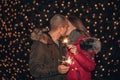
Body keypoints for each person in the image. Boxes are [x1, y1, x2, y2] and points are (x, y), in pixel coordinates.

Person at [29, 14, 70, 80]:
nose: (67, 29)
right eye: (66, 27)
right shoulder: (41, 43)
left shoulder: (60, 44)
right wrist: (56, 69)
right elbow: (35, 70)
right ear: (60, 28)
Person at [62, 16, 101, 80]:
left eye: (67, 25)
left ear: (75, 26)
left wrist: (76, 53)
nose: (65, 28)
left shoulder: (85, 42)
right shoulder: (66, 42)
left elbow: (91, 66)